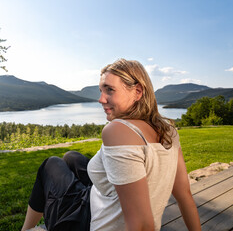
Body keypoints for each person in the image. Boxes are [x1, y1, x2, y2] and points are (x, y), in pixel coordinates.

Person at [22, 58, 201, 231]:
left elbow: (141, 225)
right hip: (103, 199)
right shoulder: (169, 130)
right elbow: (184, 195)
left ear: (137, 91)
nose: (101, 99)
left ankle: (27, 229)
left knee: (50, 164)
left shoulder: (117, 130)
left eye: (109, 90)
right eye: (101, 90)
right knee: (71, 157)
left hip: (88, 221)